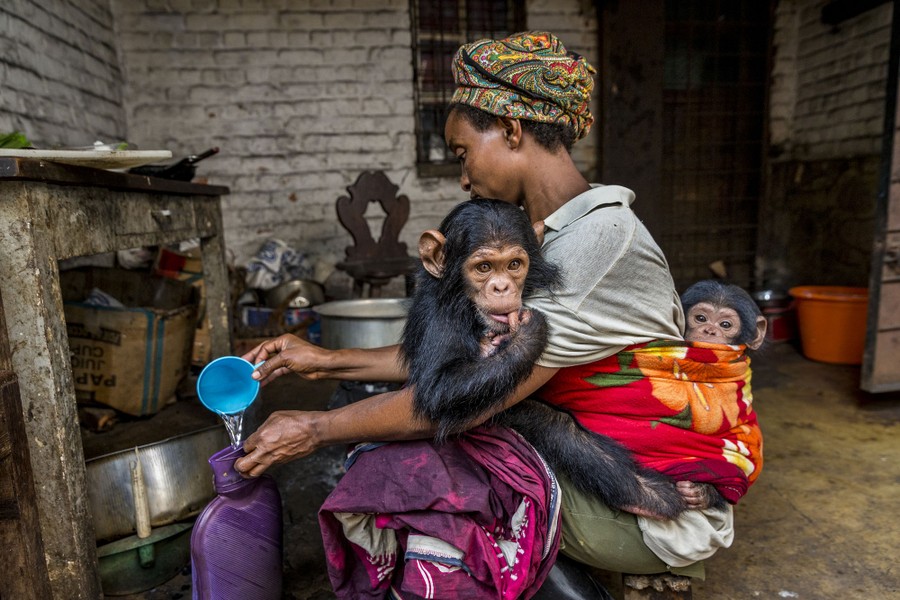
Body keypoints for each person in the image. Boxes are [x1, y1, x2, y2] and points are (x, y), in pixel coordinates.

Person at [235, 31, 762, 595]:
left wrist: (317, 428)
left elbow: (469, 397)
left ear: (511, 130)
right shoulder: (552, 235)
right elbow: (464, 362)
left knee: (418, 465)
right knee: (415, 437)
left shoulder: (598, 242)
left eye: (462, 152)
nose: (463, 177)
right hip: (605, 463)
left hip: (644, 508)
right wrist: (326, 361)